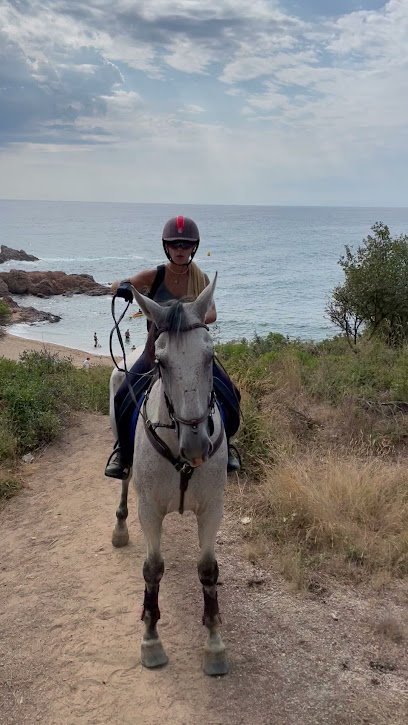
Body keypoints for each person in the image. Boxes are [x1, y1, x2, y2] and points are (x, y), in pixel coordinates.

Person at [105, 215, 241, 479]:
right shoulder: (155, 275)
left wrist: (188, 315)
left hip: (191, 349)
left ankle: (229, 447)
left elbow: (211, 313)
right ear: (167, 247)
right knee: (123, 395)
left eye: (186, 245)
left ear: (194, 247)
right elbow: (119, 285)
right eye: (175, 244)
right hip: (158, 349)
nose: (180, 249)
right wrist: (122, 288)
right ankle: (123, 453)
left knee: (231, 394)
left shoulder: (199, 276)